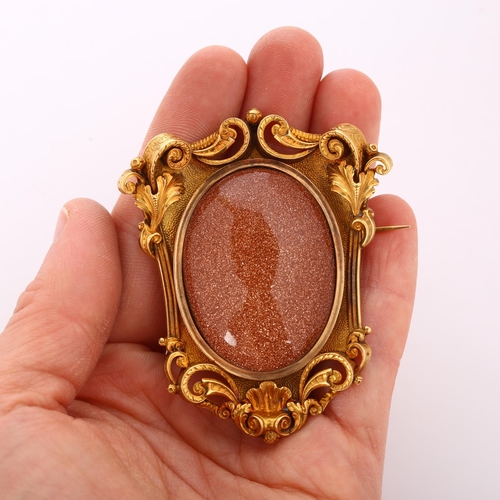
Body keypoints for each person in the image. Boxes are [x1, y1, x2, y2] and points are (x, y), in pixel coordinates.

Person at [0, 27, 417, 499]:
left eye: (265, 252)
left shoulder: (279, 318)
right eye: (245, 254)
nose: (256, 264)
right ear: (236, 262)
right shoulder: (239, 317)